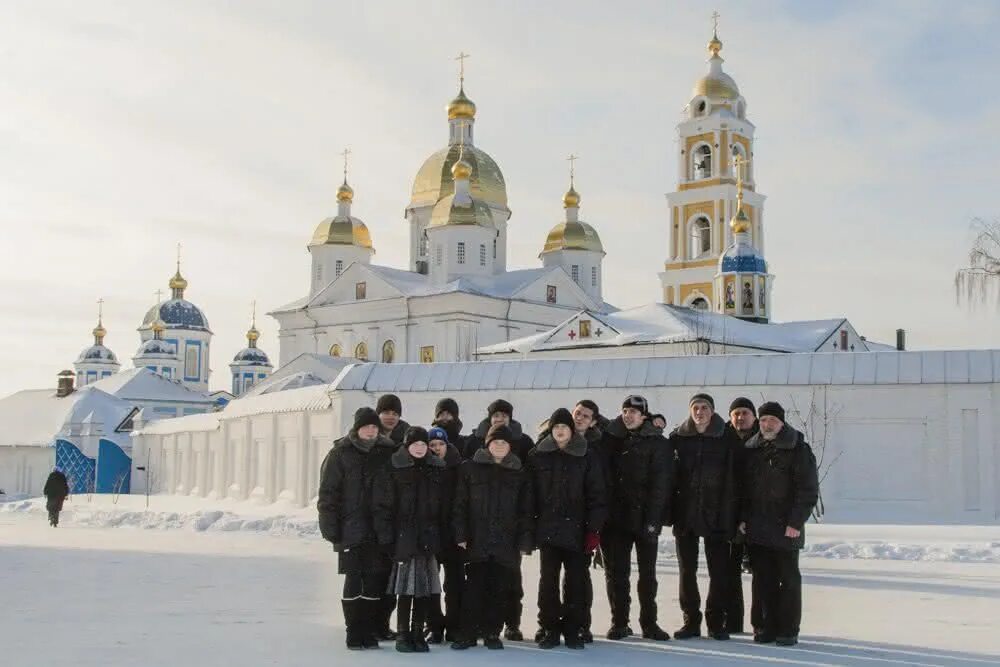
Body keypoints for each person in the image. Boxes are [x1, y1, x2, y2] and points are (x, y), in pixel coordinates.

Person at [317, 407, 398, 650]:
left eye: (374, 427)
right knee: (354, 579)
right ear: (357, 428)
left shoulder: (387, 452)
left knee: (374, 579)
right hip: (350, 528)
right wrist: (329, 527)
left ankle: (369, 630)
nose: (371, 431)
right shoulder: (340, 453)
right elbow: (328, 493)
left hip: (378, 528)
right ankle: (354, 631)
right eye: (366, 426)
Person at [740, 402, 818, 647]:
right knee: (763, 579)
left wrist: (796, 521)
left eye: (771, 420)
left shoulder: (798, 449)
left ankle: (788, 629)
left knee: (788, 579)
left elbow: (807, 490)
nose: (766, 425)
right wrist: (743, 518)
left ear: (782, 423)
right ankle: (766, 626)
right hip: (758, 526)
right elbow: (743, 489)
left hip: (786, 526)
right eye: (763, 420)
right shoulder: (752, 449)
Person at [450, 424, 534, 651]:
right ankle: (467, 633)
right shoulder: (471, 468)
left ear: (510, 446)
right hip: (477, 539)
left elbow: (526, 510)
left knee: (499, 589)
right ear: (487, 444)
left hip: (506, 541)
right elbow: (460, 504)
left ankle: (492, 633)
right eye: (495, 442)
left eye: (503, 442)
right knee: (473, 589)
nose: (499, 446)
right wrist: (461, 533)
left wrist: (524, 540)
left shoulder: (519, 472)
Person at [529, 407, 607, 650]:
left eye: (564, 427)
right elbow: (530, 496)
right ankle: (549, 628)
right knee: (548, 582)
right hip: (548, 531)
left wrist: (593, 530)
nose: (560, 431)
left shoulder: (586, 456)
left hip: (578, 531)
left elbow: (597, 496)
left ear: (571, 431)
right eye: (556, 428)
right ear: (551, 431)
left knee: (576, 582)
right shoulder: (539, 455)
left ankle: (574, 629)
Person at [596, 395, 673, 642]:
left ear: (644, 416)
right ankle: (619, 622)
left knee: (647, 575)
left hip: (644, 518)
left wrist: (653, 520)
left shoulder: (657, 443)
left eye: (634, 412)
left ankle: (649, 623)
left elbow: (661, 485)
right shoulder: (610, 439)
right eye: (625, 411)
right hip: (615, 520)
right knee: (617, 574)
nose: (628, 415)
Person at [669, 393, 742, 641]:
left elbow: (735, 479)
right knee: (686, 571)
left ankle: (715, 621)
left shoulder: (727, 437)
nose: (699, 412)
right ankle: (691, 621)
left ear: (712, 411)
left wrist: (732, 514)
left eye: (704, 408)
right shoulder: (678, 437)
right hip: (686, 513)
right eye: (696, 408)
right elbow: (670, 478)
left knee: (718, 571)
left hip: (718, 513)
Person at [374, 426, 449, 653]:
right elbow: (383, 506)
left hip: (428, 537)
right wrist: (387, 538)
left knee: (424, 589)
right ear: (407, 446)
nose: (419, 448)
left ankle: (418, 633)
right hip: (404, 537)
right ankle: (403, 635)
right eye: (415, 444)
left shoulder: (435, 468)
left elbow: (442, 505)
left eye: (423, 444)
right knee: (406, 589)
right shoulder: (394, 467)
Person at [469, 399, 535, 640]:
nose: (499, 419)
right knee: (481, 578)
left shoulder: (523, 442)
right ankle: (481, 625)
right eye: (495, 415)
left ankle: (512, 623)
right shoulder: (476, 440)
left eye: (504, 415)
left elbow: (530, 477)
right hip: (483, 523)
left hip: (509, 522)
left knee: (511, 580)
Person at [425, 426, 464, 643]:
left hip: (454, 535)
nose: (437, 448)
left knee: (455, 583)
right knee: (432, 583)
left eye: (441, 444)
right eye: (432, 445)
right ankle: (434, 625)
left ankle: (455, 625)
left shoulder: (459, 468)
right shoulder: (424, 468)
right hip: (432, 535)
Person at [726, 397, 759, 635]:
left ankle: (762, 623)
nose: (740, 417)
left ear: (754, 416)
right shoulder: (722, 439)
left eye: (745, 413)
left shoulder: (765, 440)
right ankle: (733, 622)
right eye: (736, 413)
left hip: (759, 516)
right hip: (728, 515)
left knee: (763, 574)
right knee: (729, 573)